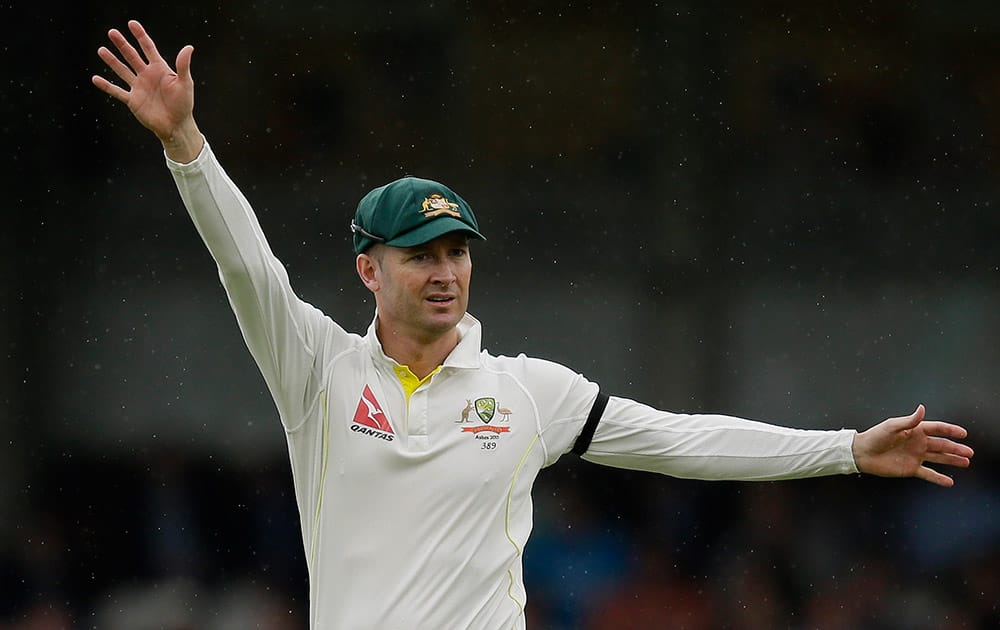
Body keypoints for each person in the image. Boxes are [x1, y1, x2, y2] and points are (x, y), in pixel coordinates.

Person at [92, 20, 974, 630]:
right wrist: (187, 146)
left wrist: (846, 450)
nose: (445, 273)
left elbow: (683, 442)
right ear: (370, 269)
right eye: (420, 256)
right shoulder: (317, 372)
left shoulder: (529, 393)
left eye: (457, 253)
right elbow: (247, 267)